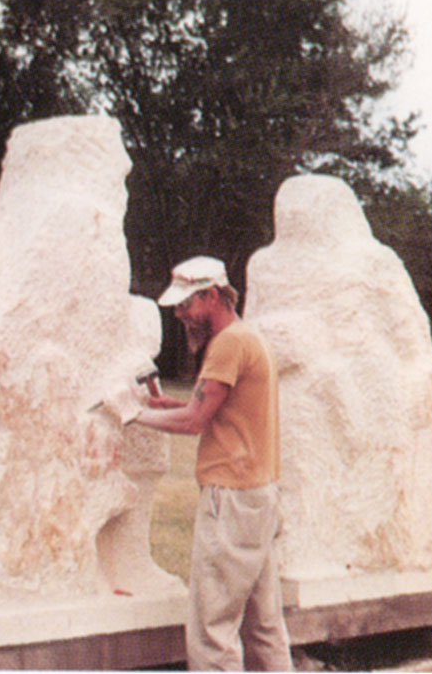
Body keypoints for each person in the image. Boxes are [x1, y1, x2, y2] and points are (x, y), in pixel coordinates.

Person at [133, 255, 292, 672]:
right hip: (259, 496)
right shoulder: (247, 338)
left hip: (232, 502)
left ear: (211, 295)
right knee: (264, 626)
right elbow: (220, 412)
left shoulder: (227, 345)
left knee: (211, 630)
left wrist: (132, 416)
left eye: (186, 304)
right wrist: (171, 404)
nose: (180, 314)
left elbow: (193, 422)